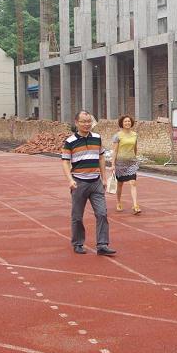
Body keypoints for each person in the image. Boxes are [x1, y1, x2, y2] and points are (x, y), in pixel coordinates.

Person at [61, 110, 117, 256]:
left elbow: (101, 158)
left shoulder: (97, 138)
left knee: (102, 213)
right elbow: (65, 162)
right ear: (76, 123)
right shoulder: (70, 142)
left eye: (89, 121)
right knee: (77, 216)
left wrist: (104, 178)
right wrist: (70, 180)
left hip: (96, 182)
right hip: (79, 182)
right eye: (83, 121)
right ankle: (78, 243)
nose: (86, 124)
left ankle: (102, 244)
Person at [111, 115, 141, 215]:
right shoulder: (117, 136)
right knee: (120, 184)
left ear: (131, 123)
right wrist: (112, 164)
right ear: (122, 124)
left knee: (133, 183)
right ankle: (119, 202)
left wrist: (134, 158)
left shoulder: (135, 135)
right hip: (120, 163)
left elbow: (135, 148)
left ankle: (135, 205)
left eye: (129, 121)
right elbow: (114, 151)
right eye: (125, 122)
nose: (127, 123)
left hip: (131, 162)